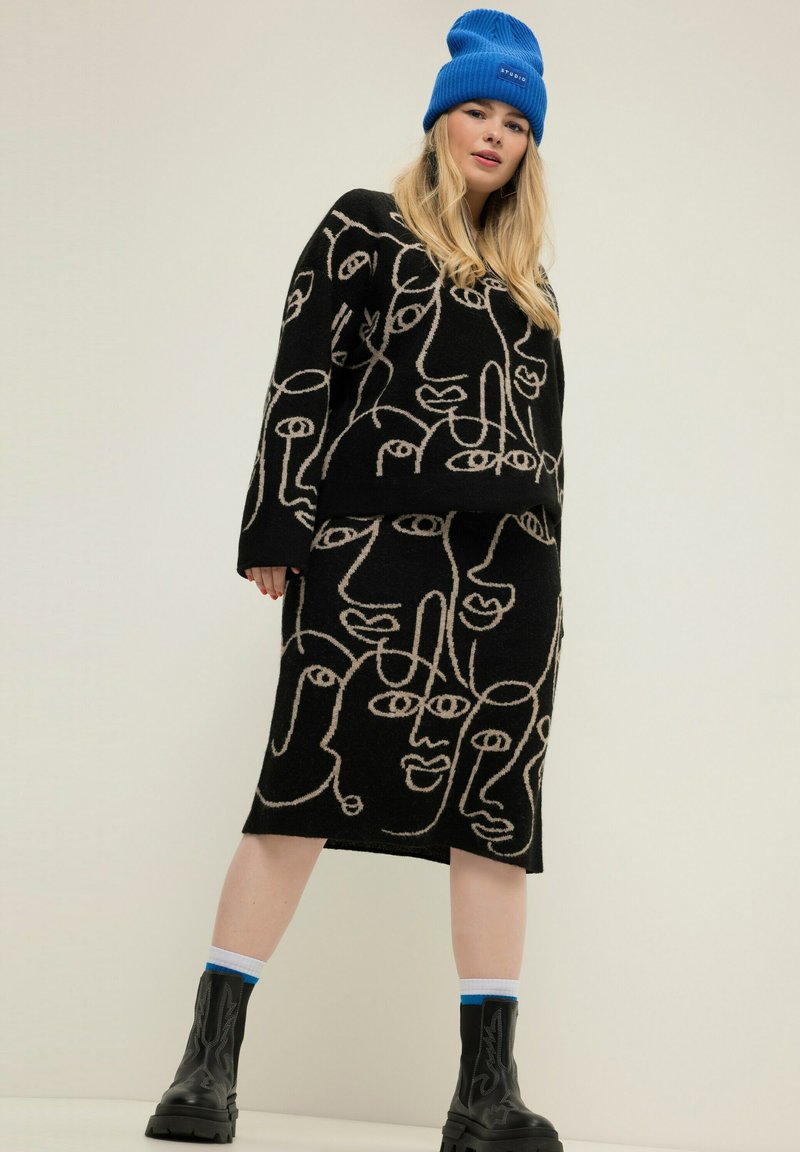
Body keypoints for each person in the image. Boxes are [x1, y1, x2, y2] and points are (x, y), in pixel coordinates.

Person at [145, 8, 566, 1151]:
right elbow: (303, 378)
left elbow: (545, 450)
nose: (494, 132)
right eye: (476, 110)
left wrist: (545, 603)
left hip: (508, 572)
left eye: (516, 120)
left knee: (495, 816)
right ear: (439, 122)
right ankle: (204, 1071)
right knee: (300, 787)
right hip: (371, 551)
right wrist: (276, 527)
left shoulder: (530, 284)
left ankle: (484, 1095)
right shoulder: (361, 227)